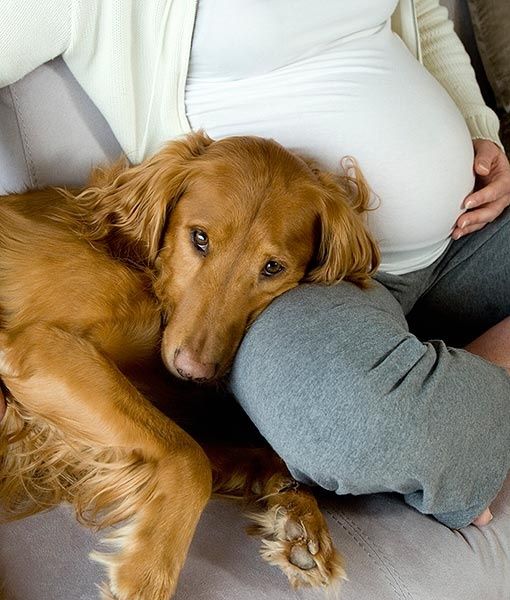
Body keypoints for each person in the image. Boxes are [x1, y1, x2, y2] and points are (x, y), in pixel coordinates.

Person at [1, 0, 509, 529]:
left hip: (468, 223)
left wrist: (479, 130)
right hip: (315, 281)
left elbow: (422, 13)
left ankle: (450, 397)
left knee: (423, 427)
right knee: (363, 428)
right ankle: (447, 411)